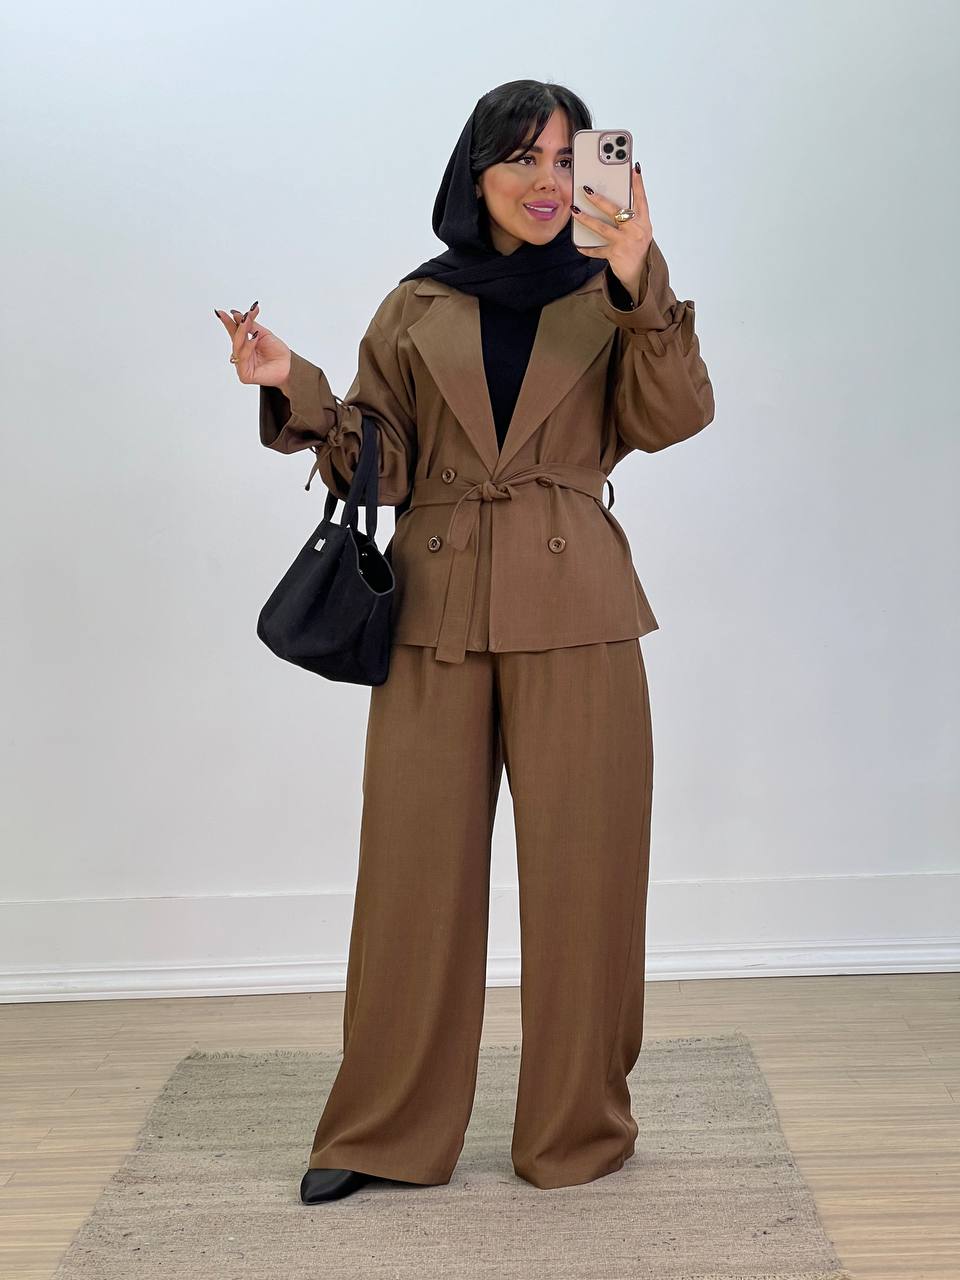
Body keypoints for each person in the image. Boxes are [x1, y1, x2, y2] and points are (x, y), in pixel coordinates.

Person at [215, 79, 715, 1203]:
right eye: (521, 158)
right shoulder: (415, 304)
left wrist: (641, 275)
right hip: (434, 607)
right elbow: (378, 460)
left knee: (587, 873)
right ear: (474, 173)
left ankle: (576, 1126)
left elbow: (675, 415)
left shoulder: (614, 290)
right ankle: (382, 1129)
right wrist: (292, 385)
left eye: (566, 159)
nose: (547, 182)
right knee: (412, 873)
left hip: (578, 608)